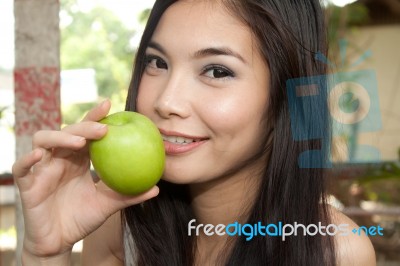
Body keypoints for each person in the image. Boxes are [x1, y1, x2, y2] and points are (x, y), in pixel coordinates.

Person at [13, 0, 376, 265]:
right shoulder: (119, 227)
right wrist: (43, 253)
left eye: (217, 71)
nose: (167, 101)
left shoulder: (332, 250)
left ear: (288, 93)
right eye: (157, 62)